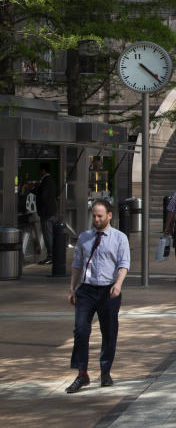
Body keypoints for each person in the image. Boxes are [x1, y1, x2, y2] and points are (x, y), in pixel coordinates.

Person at [65, 200, 129, 393]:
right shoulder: (84, 237)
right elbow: (77, 264)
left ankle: (105, 371)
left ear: (109, 215)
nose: (96, 219)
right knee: (80, 330)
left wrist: (118, 284)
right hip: (86, 290)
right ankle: (82, 373)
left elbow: (123, 264)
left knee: (109, 333)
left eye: (100, 216)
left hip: (109, 290)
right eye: (94, 215)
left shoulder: (119, 238)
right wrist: (72, 288)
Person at [36, 162, 57, 265]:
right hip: (51, 211)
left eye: (39, 169)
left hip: (46, 212)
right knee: (51, 234)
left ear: (43, 170)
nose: (38, 171)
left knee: (48, 234)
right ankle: (53, 255)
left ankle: (51, 256)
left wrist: (35, 190)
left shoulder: (45, 181)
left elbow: (43, 196)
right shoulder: (51, 180)